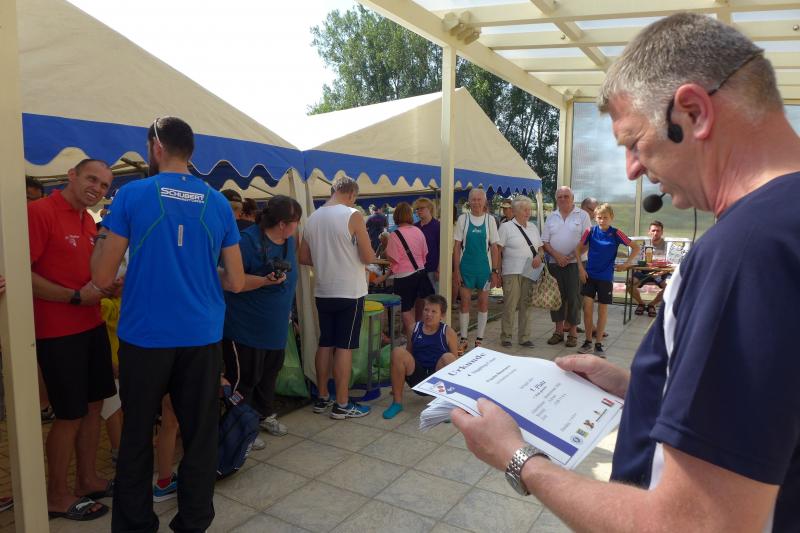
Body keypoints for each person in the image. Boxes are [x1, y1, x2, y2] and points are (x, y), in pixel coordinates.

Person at [452, 13, 799, 531]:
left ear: (694, 112)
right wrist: (639, 386)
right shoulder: (783, 226)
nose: (633, 169)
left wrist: (518, 458)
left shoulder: (744, 252)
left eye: (634, 142)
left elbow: (691, 524)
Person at [92, 116, 245, 532]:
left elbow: (102, 276)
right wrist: (197, 270)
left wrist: (103, 240)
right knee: (199, 435)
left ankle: (135, 524)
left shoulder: (132, 195)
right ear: (190, 151)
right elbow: (234, 280)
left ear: (156, 147)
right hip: (202, 335)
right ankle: (194, 522)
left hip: (146, 336)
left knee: (137, 435)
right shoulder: (218, 203)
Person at [28, 158, 117, 521]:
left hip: (91, 325)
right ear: (72, 175)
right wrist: (75, 297)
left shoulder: (88, 220)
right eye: (91, 179)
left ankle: (86, 479)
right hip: (57, 332)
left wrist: (106, 287)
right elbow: (21, 274)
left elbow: (83, 273)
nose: (97, 188)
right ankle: (55, 494)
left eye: (104, 185)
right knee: (68, 414)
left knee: (94, 406)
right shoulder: (40, 212)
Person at [223, 195, 302, 444]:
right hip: (245, 328)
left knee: (269, 377)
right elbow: (227, 280)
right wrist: (264, 281)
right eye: (296, 221)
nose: (298, 226)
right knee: (245, 380)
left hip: (275, 327)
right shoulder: (246, 242)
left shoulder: (290, 241)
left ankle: (263, 415)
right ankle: (241, 427)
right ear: (282, 224)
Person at [299, 175, 376, 420]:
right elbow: (368, 256)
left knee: (325, 343)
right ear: (351, 194)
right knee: (344, 347)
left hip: (323, 290)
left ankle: (322, 396)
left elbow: (303, 256)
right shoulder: (352, 214)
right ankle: (342, 403)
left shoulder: (312, 218)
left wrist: (326, 261)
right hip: (349, 291)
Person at [575, 204, 640, 356]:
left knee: (602, 310)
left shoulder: (616, 233)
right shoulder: (590, 231)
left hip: (605, 278)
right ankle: (588, 341)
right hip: (589, 276)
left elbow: (636, 247)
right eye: (599, 217)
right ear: (595, 218)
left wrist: (627, 263)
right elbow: (577, 249)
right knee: (587, 309)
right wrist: (580, 269)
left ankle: (598, 344)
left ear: (611, 218)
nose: (602, 220)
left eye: (605, 217)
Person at [382, 294, 458, 419]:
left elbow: (456, 366)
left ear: (442, 315)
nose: (428, 314)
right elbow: (408, 354)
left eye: (434, 311)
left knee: (449, 357)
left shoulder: (448, 332)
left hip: (437, 381)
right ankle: (397, 403)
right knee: (397, 352)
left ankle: (447, 405)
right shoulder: (413, 328)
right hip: (417, 379)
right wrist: (397, 384)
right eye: (426, 310)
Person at [541, 186, 591, 348]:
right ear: (557, 199)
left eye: (566, 196)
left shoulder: (582, 215)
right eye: (560, 197)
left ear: (572, 198)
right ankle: (558, 332)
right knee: (556, 298)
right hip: (555, 263)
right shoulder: (551, 217)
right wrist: (557, 256)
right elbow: (545, 241)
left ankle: (573, 333)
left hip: (576, 264)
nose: (562, 199)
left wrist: (570, 257)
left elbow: (587, 241)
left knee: (574, 298)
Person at [453, 188, 501, 352]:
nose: (476, 202)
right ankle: (464, 338)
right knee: (464, 303)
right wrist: (456, 271)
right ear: (469, 201)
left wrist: (495, 271)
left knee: (483, 303)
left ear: (484, 201)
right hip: (466, 268)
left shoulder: (490, 220)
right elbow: (457, 247)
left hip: (484, 269)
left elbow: (494, 247)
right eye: (473, 199)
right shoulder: (463, 219)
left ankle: (479, 339)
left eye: (479, 199)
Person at [497, 196, 544, 349]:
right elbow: (498, 250)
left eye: (529, 209)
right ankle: (506, 337)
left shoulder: (533, 227)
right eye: (525, 210)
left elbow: (540, 249)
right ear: (516, 211)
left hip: (530, 270)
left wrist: (539, 256)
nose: (528, 212)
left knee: (526, 304)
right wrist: (497, 271)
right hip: (511, 271)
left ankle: (524, 337)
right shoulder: (506, 227)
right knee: (510, 305)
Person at [385, 202, 433, 344]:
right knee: (420, 309)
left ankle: (414, 340)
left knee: (406, 310)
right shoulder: (418, 231)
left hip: (404, 277)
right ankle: (420, 337)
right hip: (421, 273)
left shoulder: (394, 235)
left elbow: (392, 259)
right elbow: (425, 254)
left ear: (396, 216)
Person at [629, 220, 670, 317]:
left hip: (661, 273)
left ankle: (652, 304)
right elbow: (635, 260)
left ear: (662, 232)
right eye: (653, 230)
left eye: (658, 231)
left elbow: (672, 263)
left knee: (670, 287)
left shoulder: (668, 245)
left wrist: (661, 272)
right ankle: (641, 304)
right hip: (643, 272)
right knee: (629, 283)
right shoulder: (642, 244)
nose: (655, 233)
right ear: (649, 232)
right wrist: (638, 268)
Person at [413, 197, 440, 296]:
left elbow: (442, 249)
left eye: (421, 208)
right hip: (417, 269)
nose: (418, 211)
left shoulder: (438, 226)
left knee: (434, 298)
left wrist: (439, 269)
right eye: (417, 209)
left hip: (432, 268)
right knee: (418, 298)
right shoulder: (414, 227)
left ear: (430, 209)